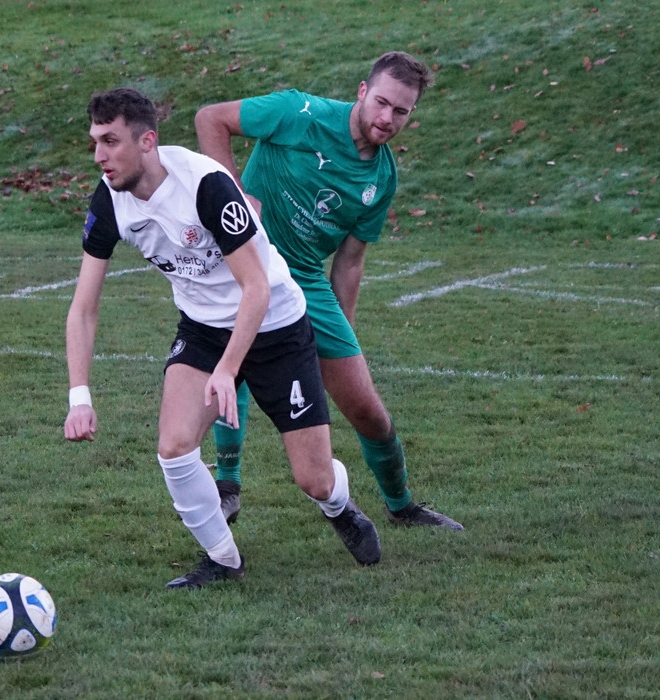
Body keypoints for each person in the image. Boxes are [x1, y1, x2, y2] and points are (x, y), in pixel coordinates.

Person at [64, 87, 381, 590]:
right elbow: (84, 307)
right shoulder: (110, 200)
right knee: (174, 446)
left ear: (147, 141)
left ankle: (338, 505)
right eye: (95, 141)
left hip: (276, 325)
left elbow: (256, 288)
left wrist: (229, 371)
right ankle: (224, 559)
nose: (99, 156)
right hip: (203, 329)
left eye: (110, 141)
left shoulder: (206, 186)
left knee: (314, 479)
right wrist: (79, 397)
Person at [194, 51, 464, 530]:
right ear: (362, 91)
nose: (387, 118)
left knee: (367, 408)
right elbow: (210, 119)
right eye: (381, 102)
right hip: (244, 264)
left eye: (401, 111)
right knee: (229, 372)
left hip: (303, 279)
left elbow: (350, 261)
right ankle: (228, 486)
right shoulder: (299, 112)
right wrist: (234, 196)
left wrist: (343, 338)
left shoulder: (382, 178)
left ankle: (401, 506)